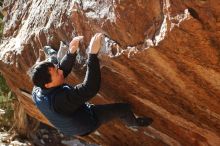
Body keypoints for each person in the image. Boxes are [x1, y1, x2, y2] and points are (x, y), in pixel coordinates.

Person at [28, 33, 153, 136]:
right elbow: (90, 88)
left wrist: (71, 53)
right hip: (84, 123)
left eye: (56, 69)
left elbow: (61, 72)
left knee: (55, 61)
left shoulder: (38, 89)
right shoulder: (60, 101)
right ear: (48, 85)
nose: (60, 71)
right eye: (56, 72)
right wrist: (92, 54)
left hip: (68, 115)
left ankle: (53, 56)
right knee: (123, 108)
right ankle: (133, 123)